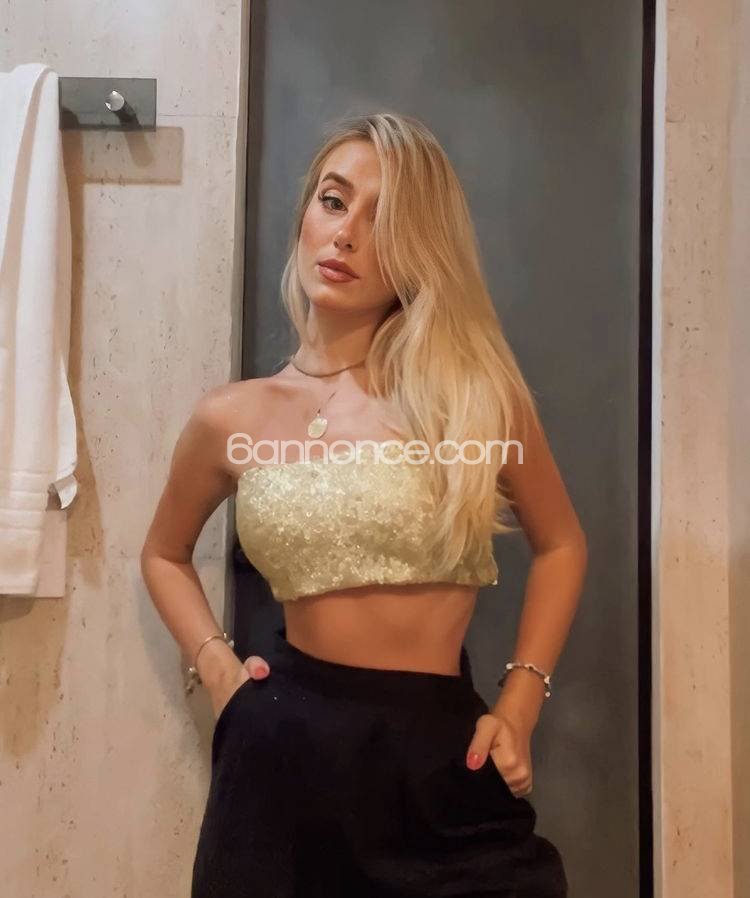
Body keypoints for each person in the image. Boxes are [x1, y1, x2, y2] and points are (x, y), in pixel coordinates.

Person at [140, 112, 587, 897]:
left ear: (420, 250)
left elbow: (562, 545)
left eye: (383, 219)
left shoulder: (472, 402)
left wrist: (519, 704)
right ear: (305, 216)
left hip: (443, 761)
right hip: (279, 764)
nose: (345, 234)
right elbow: (162, 553)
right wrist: (217, 670)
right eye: (334, 200)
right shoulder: (231, 417)